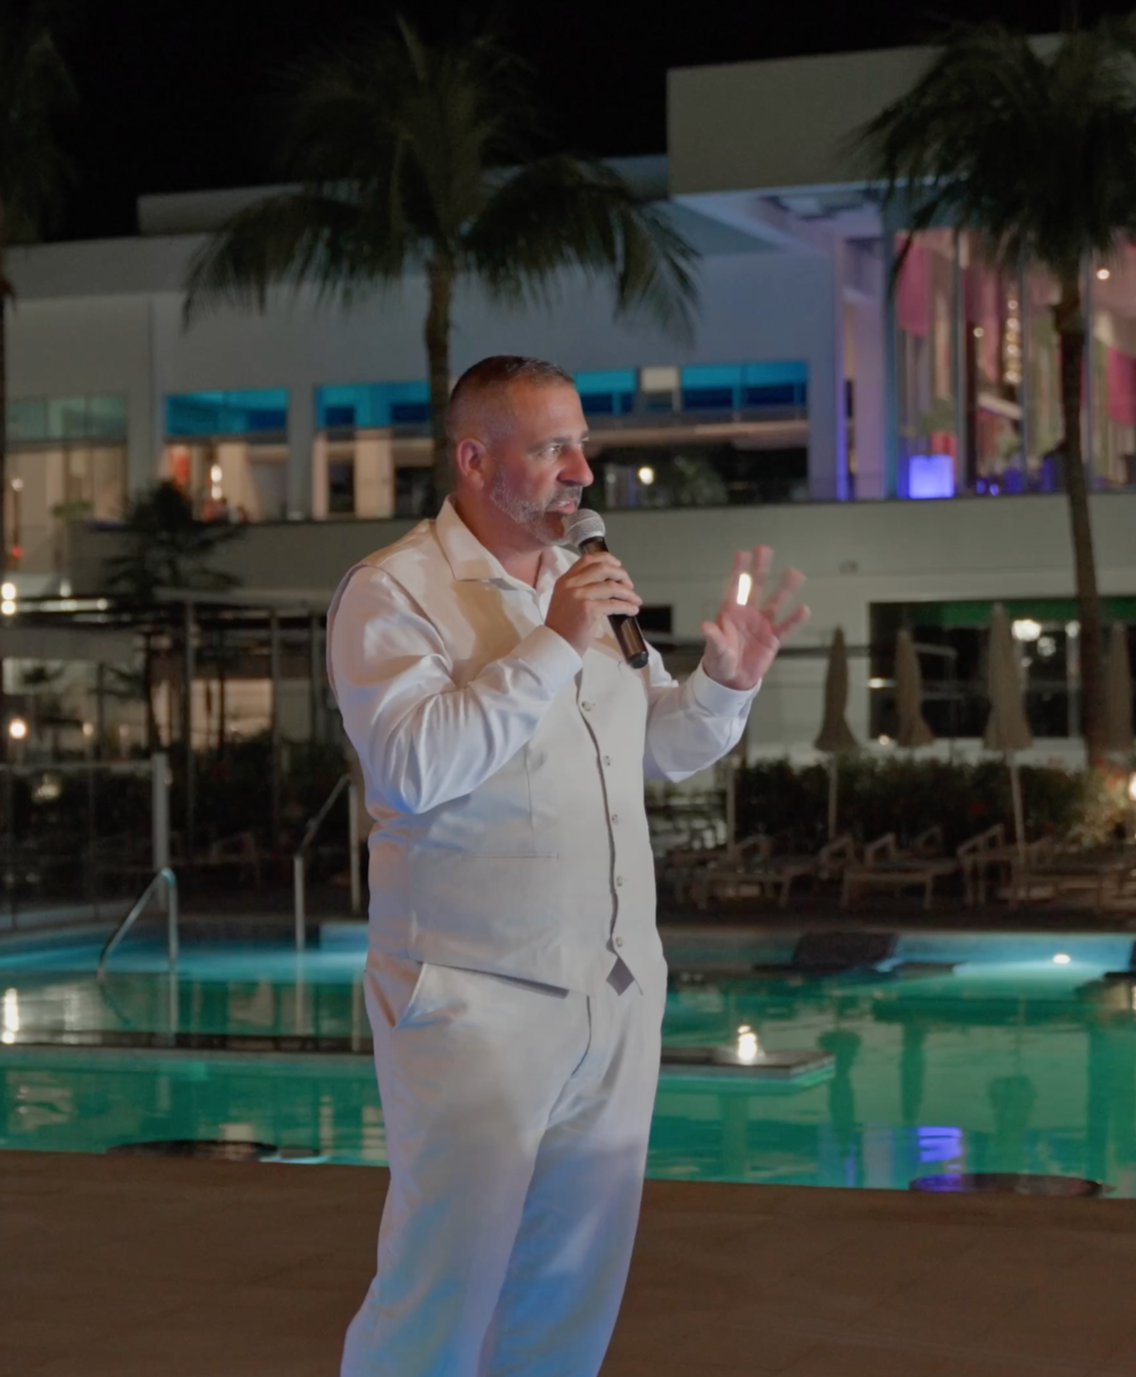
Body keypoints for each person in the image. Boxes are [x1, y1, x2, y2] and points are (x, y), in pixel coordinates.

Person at [328, 355, 806, 1376]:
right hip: (476, 991)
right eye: (552, 449)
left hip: (615, 988)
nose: (582, 471)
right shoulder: (396, 590)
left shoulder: (582, 587)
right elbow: (411, 768)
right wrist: (552, 642)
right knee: (440, 1289)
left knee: (570, 1294)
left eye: (582, 445)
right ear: (474, 460)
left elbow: (652, 744)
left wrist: (725, 687)